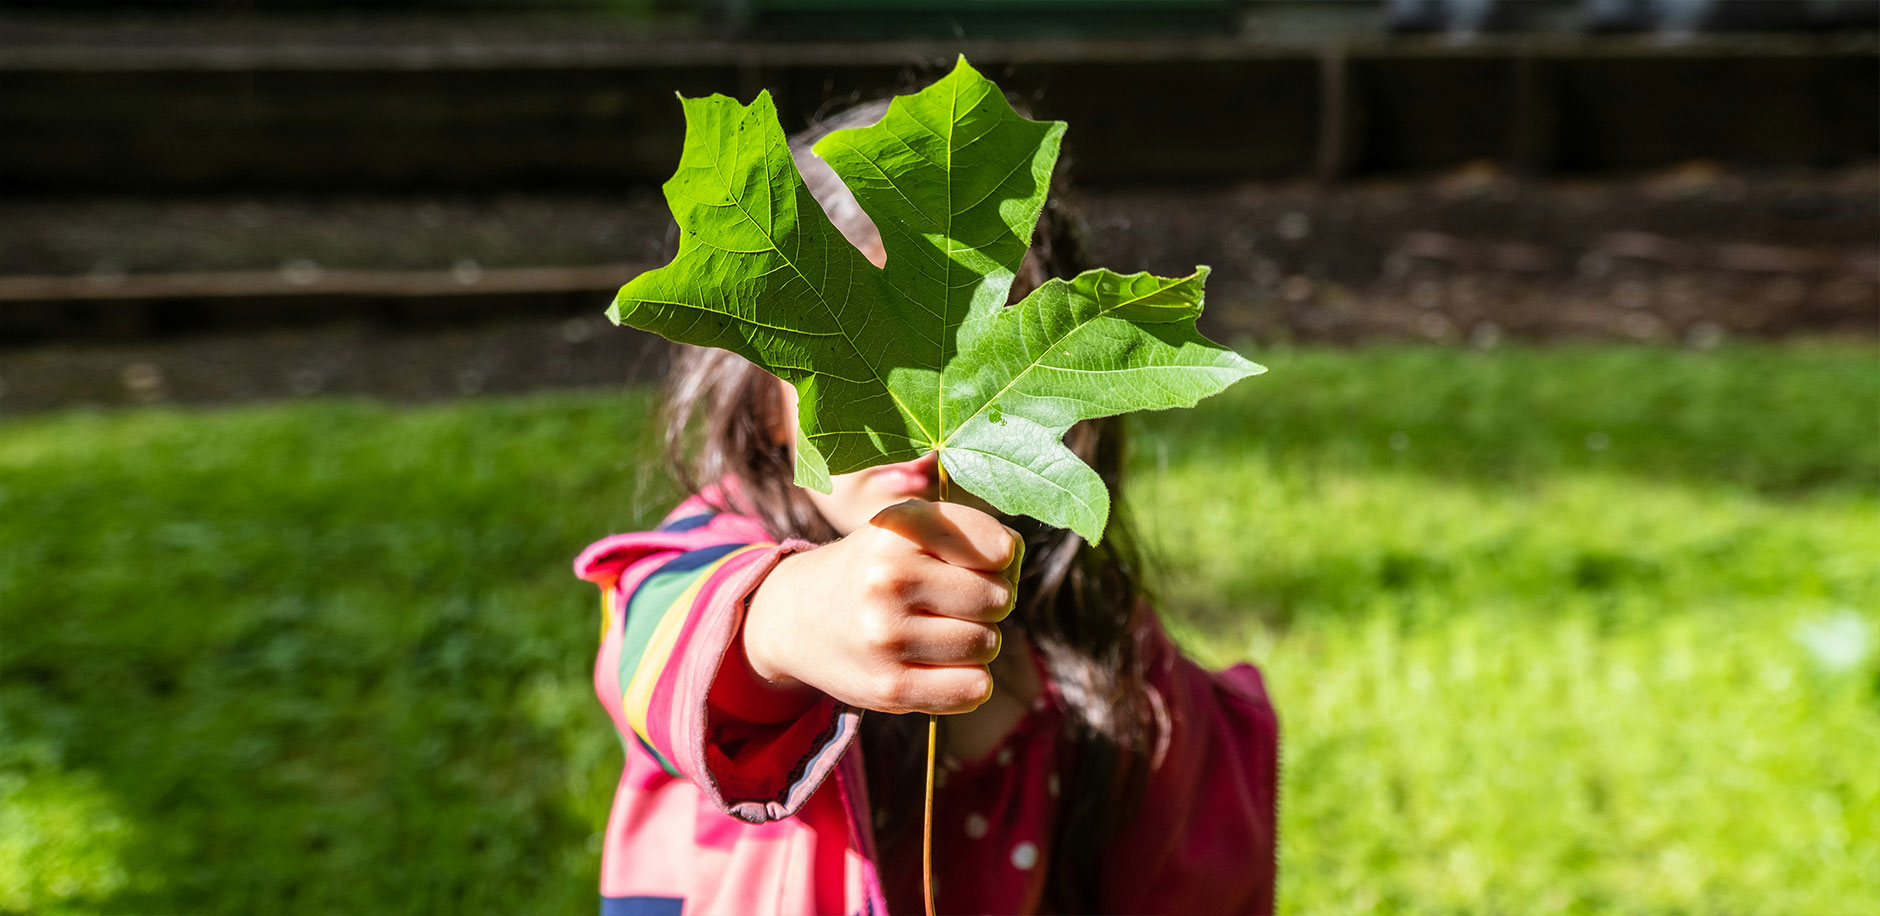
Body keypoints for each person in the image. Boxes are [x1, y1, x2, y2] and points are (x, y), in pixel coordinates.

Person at [575, 100, 1278, 916]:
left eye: (970, 357)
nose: (911, 407)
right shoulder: (709, 556)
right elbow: (657, 644)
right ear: (764, 401)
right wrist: (785, 624)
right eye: (856, 357)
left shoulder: (1103, 646)